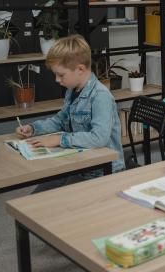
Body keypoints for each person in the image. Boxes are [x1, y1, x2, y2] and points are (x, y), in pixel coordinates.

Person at [15, 34, 125, 189]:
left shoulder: (100, 96)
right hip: (78, 164)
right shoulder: (72, 90)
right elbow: (61, 120)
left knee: (49, 203)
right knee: (37, 199)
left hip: (102, 172)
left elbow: (99, 138)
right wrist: (34, 128)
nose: (57, 80)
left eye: (61, 75)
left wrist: (60, 140)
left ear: (80, 69)